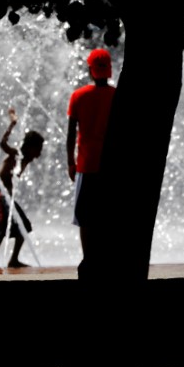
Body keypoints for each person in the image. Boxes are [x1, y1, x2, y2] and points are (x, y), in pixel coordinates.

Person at [66, 48, 116, 256]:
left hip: (86, 166)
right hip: (111, 166)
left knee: (85, 218)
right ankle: (106, 256)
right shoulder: (117, 96)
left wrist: (70, 162)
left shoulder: (78, 96)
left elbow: (70, 135)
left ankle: (88, 258)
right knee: (108, 215)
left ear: (90, 70)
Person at [0, 107, 44, 269]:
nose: (39, 154)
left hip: (6, 197)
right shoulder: (17, 154)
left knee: (24, 225)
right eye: (38, 149)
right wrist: (12, 124)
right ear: (30, 147)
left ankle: (13, 260)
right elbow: (2, 144)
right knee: (2, 225)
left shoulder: (26, 159)